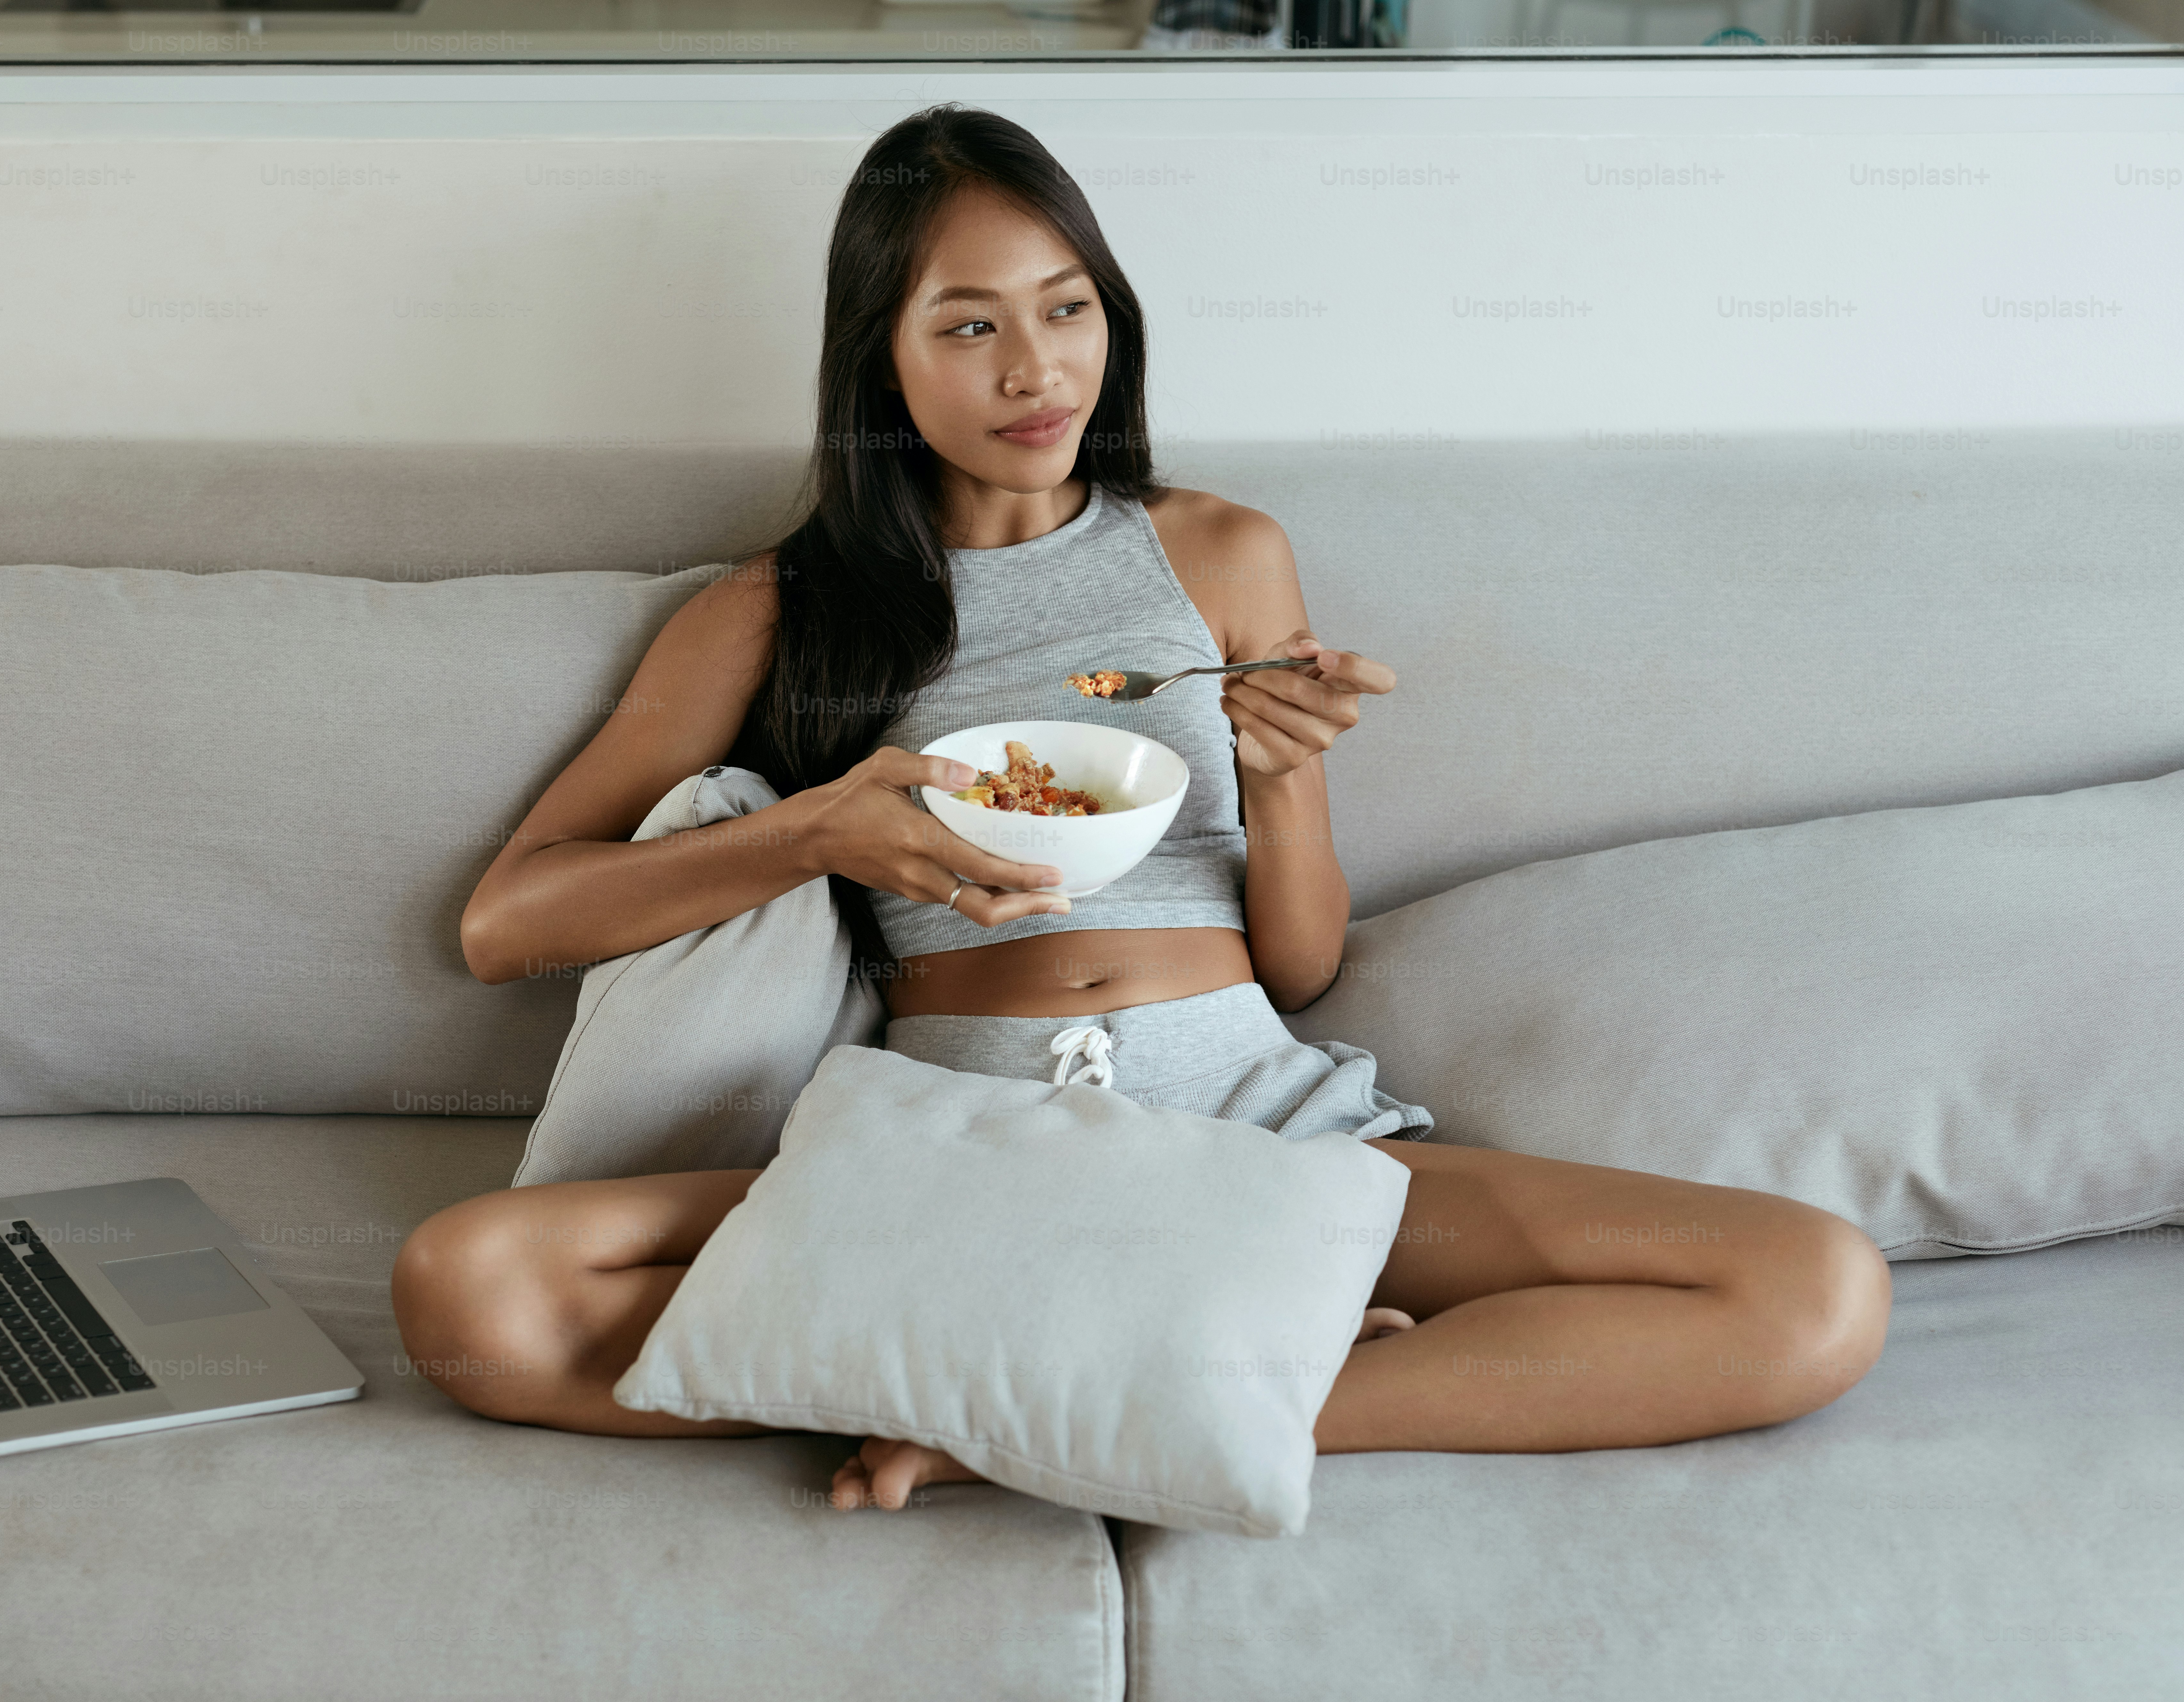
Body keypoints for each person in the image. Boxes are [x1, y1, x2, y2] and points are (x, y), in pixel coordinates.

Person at [393, 103, 1890, 1514]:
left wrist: (1285, 770)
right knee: (469, 1286)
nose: (1033, 369)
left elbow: (1294, 967)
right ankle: (1131, 1370)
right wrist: (815, 831)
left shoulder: (1220, 552)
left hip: (1249, 1135)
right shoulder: (774, 612)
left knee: (1809, 1289)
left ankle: (1055, 1412)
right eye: (966, 325)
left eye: (1065, 307)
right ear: (880, 359)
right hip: (956, 1171)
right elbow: (503, 923)